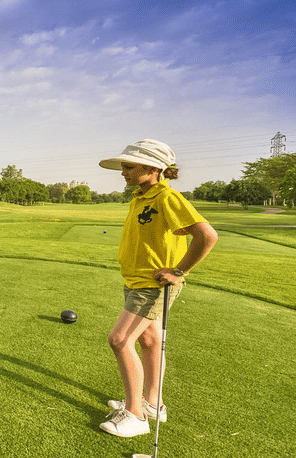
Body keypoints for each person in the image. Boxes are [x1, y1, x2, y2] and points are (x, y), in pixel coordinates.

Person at [97, 139, 218, 437]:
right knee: (149, 341)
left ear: (153, 169)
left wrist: (180, 271)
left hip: (151, 286)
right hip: (136, 282)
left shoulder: (168, 198)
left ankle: (136, 416)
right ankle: (152, 403)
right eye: (124, 166)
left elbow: (207, 236)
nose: (123, 172)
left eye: (129, 166)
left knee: (120, 340)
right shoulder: (141, 196)